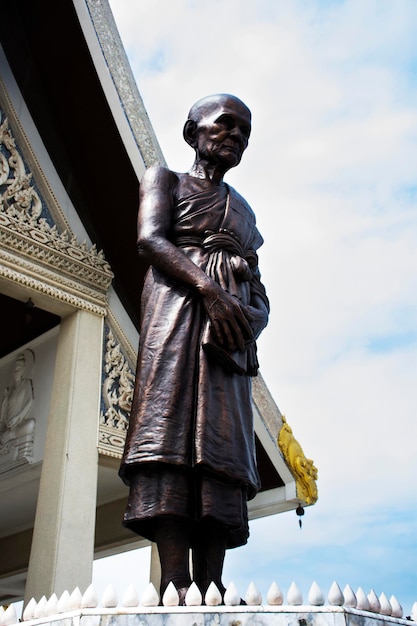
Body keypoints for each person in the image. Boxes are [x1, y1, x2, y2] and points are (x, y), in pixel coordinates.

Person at [119, 94, 269, 603]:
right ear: (193, 132)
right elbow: (151, 241)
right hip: (177, 315)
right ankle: (176, 581)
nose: (235, 137)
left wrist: (251, 318)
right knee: (170, 436)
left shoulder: (244, 211)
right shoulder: (164, 179)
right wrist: (209, 289)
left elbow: (260, 282)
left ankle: (212, 582)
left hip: (230, 337)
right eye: (225, 125)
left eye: (244, 133)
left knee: (222, 447)